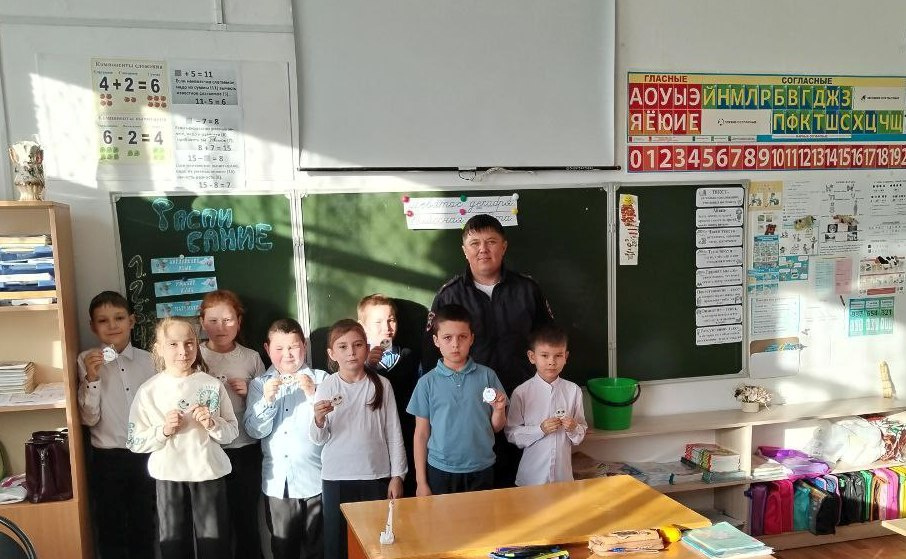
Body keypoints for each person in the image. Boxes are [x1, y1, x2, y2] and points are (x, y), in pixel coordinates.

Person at [423, 214, 553, 487]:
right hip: (469, 409)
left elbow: (548, 343)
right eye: (475, 243)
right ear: (464, 250)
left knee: (522, 486)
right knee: (478, 489)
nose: (483, 249)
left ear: (503, 246)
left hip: (524, 403)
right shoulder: (449, 295)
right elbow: (432, 352)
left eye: (491, 242)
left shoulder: (527, 289)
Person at [127, 317, 239, 559]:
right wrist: (163, 430)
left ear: (197, 345)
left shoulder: (211, 385)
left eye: (189, 343)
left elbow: (232, 432)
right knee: (174, 545)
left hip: (208, 473)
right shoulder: (149, 390)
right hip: (169, 476)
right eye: (173, 344)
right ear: (158, 349)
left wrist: (212, 423)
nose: (183, 351)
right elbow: (134, 441)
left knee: (215, 546)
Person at [310, 319, 406, 559]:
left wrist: (397, 476)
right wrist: (318, 419)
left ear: (367, 347)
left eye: (358, 345)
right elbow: (318, 438)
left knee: (375, 543)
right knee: (337, 544)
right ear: (332, 354)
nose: (351, 352)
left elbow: (394, 432)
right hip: (337, 477)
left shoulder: (382, 385)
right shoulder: (326, 386)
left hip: (375, 475)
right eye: (342, 347)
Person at [77, 290, 157, 559]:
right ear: (92, 326)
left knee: (144, 524)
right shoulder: (85, 360)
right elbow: (88, 418)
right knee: (110, 526)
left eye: (119, 318)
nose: (112, 325)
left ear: (132, 321)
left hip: (146, 454)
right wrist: (92, 378)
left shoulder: (151, 361)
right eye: (103, 320)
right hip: (107, 458)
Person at [245, 318, 326, 559]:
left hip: (317, 481)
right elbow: (254, 431)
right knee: (283, 549)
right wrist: (267, 401)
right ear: (267, 349)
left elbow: (334, 428)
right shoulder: (259, 385)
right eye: (279, 348)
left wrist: (312, 395)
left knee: (318, 549)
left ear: (304, 346)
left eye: (294, 347)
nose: (287, 354)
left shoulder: (323, 379)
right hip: (278, 484)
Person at [407, 304, 507, 496]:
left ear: (472, 339)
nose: (455, 344)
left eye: (462, 337)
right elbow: (421, 434)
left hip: (481, 467)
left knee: (480, 516)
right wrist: (421, 482)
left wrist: (499, 409)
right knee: (443, 516)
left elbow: (497, 427)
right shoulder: (427, 383)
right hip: (440, 470)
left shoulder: (487, 376)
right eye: (447, 338)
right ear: (436, 340)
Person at [198, 289, 266, 559]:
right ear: (202, 322)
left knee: (246, 520)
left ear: (239, 321)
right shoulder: (194, 355)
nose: (221, 327)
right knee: (214, 525)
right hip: (209, 450)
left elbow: (268, 403)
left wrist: (251, 392)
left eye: (227, 320)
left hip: (245, 449)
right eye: (213, 321)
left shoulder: (251, 358)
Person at [505, 324, 587, 486]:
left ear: (566, 357)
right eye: (544, 355)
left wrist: (573, 427)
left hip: (563, 478)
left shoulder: (574, 391)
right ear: (532, 357)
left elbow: (580, 434)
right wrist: (540, 429)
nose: (551, 362)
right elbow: (511, 434)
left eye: (558, 355)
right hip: (531, 479)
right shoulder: (522, 393)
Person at [358, 293, 419, 495]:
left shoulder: (409, 356)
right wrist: (367, 366)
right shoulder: (353, 362)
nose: (386, 328)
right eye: (378, 322)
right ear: (363, 326)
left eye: (391, 320)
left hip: (406, 436)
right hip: (369, 445)